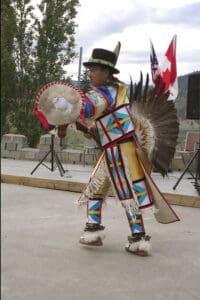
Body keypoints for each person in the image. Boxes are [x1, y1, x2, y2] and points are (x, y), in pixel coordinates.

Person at [34, 42, 180, 257]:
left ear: (106, 72)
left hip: (121, 152)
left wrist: (65, 108)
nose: (90, 73)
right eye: (90, 69)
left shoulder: (106, 93)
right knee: (97, 187)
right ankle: (93, 230)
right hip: (114, 150)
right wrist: (75, 125)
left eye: (94, 70)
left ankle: (138, 239)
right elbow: (97, 122)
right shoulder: (114, 91)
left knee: (127, 192)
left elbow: (85, 106)